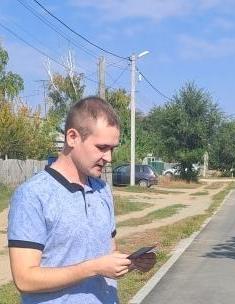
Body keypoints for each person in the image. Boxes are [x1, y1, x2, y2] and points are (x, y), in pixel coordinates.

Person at [8, 96, 156, 303]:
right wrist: (93, 268)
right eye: (102, 147)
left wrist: (130, 263)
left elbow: (106, 253)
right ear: (72, 137)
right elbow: (25, 279)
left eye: (112, 148)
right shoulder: (32, 195)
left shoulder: (102, 190)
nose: (109, 158)